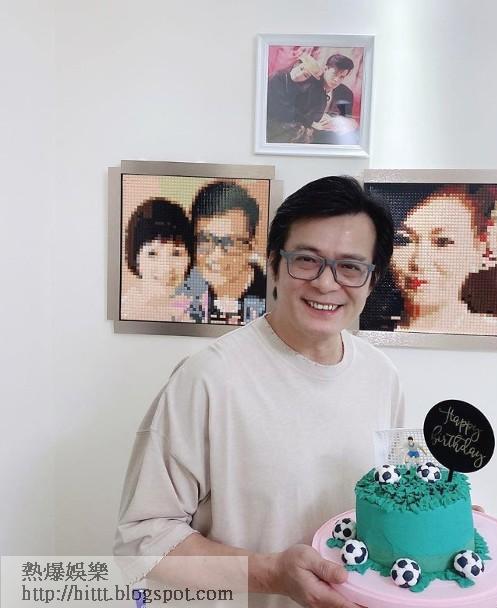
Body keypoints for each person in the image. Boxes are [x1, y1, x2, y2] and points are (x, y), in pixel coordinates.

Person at [114, 176, 405, 608]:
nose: (326, 283)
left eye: (350, 266)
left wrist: (431, 523)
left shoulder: (382, 376)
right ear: (273, 264)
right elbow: (142, 543)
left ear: (372, 279)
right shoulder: (208, 377)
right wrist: (271, 574)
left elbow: (387, 498)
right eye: (306, 260)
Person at [361, 184, 497, 336]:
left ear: (481, 248)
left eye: (442, 242)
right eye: (403, 240)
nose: (418, 262)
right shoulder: (366, 332)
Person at [176, 181, 266, 325]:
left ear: (251, 246)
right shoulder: (180, 291)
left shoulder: (271, 299)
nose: (216, 256)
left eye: (229, 242)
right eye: (205, 240)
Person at [121, 198, 194, 322]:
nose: (166, 267)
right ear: (135, 258)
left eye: (176, 253)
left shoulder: (192, 309)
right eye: (152, 253)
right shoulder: (126, 312)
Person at [266, 53, 358, 145]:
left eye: (342, 77)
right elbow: (292, 111)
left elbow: (344, 116)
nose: (336, 80)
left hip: (331, 131)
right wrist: (313, 123)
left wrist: (344, 122)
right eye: (334, 74)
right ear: (325, 69)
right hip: (307, 127)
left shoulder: (345, 93)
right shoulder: (308, 82)